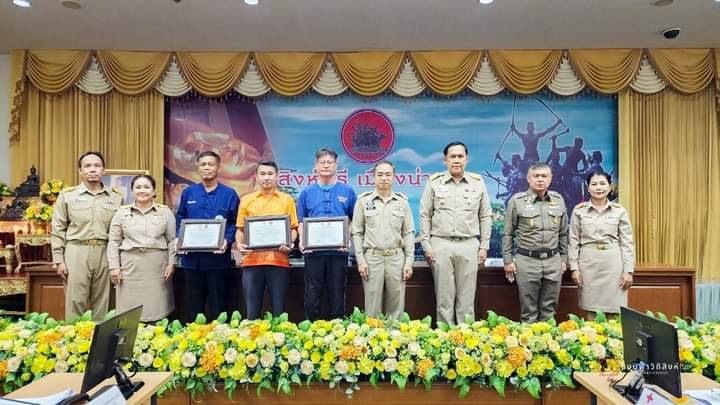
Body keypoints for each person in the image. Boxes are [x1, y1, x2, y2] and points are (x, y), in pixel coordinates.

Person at [419, 142, 492, 325]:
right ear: (445, 160)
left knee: (466, 300)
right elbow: (425, 214)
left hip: (469, 244)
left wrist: (484, 246)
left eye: (460, 156)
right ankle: (445, 337)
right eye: (453, 156)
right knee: (444, 299)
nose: (457, 160)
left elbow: (485, 215)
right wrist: (427, 245)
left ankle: (465, 337)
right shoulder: (434, 182)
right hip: (441, 244)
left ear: (466, 159)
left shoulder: (477, 182)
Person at [50, 152, 123, 321]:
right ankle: (74, 337)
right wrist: (58, 260)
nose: (92, 170)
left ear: (104, 170)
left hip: (105, 252)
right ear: (80, 171)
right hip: (76, 251)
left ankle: (100, 338)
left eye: (97, 166)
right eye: (87, 166)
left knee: (104, 302)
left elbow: (121, 231)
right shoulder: (68, 195)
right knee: (75, 301)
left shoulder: (116, 197)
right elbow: (58, 229)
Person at [175, 151, 240, 322]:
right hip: (192, 262)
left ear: (219, 168)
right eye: (203, 164)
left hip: (218, 261)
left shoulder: (229, 194)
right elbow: (180, 217)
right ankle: (194, 336)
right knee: (194, 308)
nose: (206, 168)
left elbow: (235, 222)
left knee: (219, 307)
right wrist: (178, 238)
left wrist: (227, 240)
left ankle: (219, 337)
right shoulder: (189, 192)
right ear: (198, 167)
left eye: (210, 164)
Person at [502, 162, 568, 323]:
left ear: (550, 178)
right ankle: (529, 339)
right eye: (536, 176)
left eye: (544, 176)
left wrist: (563, 259)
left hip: (553, 261)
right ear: (528, 179)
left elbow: (563, 233)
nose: (540, 179)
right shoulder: (517, 201)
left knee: (549, 310)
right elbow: (508, 233)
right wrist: (508, 261)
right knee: (528, 311)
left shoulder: (558, 200)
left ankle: (548, 339)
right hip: (527, 260)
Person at [297, 147, 357, 321]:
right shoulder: (306, 193)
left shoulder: (347, 191)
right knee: (312, 293)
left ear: (336, 165)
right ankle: (311, 328)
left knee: (337, 292)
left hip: (338, 252)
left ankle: (337, 329)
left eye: (329, 162)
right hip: (313, 252)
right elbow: (301, 222)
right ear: (315, 166)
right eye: (322, 162)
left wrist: (347, 237)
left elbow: (354, 220)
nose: (326, 165)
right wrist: (302, 241)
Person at [107, 175, 176, 322]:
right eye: (138, 187)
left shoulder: (164, 212)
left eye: (146, 187)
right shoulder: (122, 213)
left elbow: (172, 241)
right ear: (132, 191)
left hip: (157, 267)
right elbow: (113, 242)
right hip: (130, 268)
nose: (142, 190)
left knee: (156, 307)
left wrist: (172, 263)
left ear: (153, 191)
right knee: (129, 312)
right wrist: (114, 267)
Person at [235, 160, 298, 320]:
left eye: (270, 174)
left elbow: (293, 229)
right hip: (251, 262)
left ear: (277, 176)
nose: (266, 177)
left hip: (278, 261)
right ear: (256, 176)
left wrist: (290, 243)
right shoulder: (246, 200)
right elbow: (240, 229)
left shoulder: (287, 200)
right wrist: (240, 245)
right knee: (252, 312)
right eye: (262, 174)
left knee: (279, 312)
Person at [351, 160, 414, 320]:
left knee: (396, 306)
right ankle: (373, 335)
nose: (384, 178)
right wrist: (361, 261)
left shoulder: (402, 202)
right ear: (373, 177)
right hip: (372, 259)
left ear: (394, 177)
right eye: (380, 174)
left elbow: (408, 233)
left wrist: (409, 262)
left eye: (388, 174)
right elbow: (357, 233)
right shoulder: (363, 201)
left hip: (396, 258)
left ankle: (395, 334)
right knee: (372, 307)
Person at [568, 171, 635, 318]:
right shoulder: (579, 211)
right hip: (588, 266)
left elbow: (627, 243)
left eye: (603, 184)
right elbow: (573, 242)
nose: (599, 187)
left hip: (613, 266)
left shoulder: (619, 211)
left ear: (610, 187)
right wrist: (574, 268)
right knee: (591, 312)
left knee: (615, 312)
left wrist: (628, 271)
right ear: (588, 187)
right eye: (594, 184)